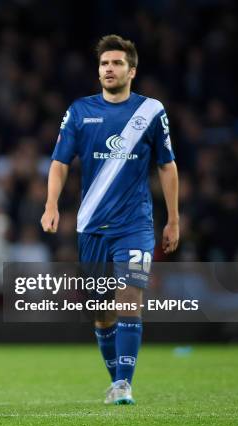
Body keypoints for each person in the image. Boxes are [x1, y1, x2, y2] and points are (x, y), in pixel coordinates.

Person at [41, 35, 179, 405]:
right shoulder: (79, 111)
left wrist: (173, 219)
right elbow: (59, 163)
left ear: (131, 70)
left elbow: (167, 166)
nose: (109, 69)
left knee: (128, 298)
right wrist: (51, 204)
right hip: (91, 226)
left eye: (117, 63)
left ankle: (124, 385)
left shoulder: (151, 111)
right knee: (101, 311)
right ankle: (116, 380)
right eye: (104, 64)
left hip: (135, 225)